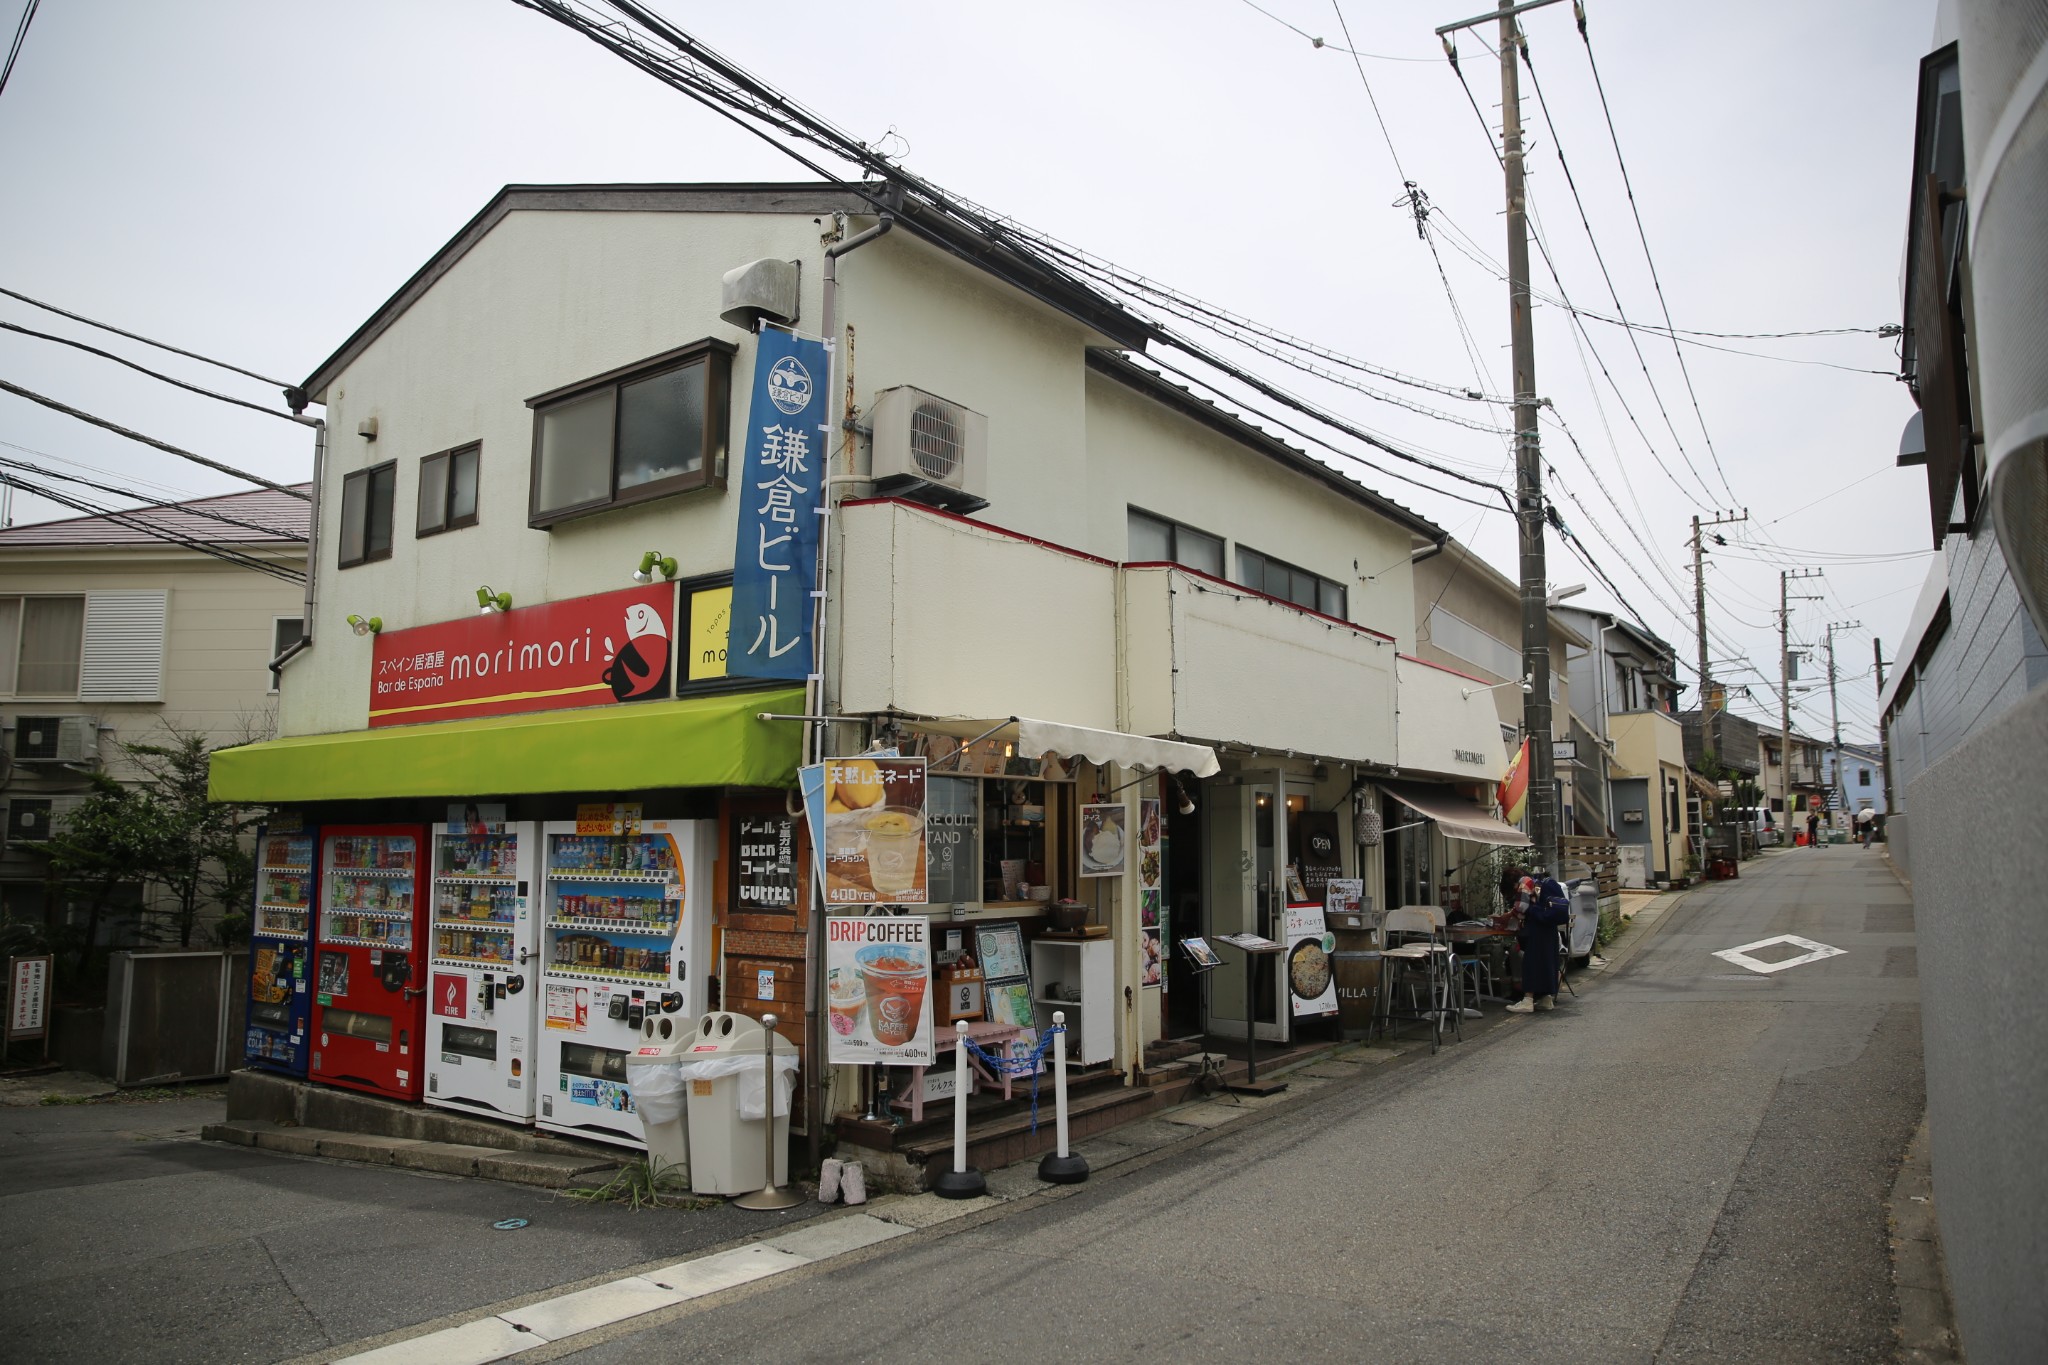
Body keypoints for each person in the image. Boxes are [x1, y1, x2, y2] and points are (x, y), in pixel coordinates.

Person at [1506, 869, 1567, 1013]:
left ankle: (1527, 1000)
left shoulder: (1524, 881)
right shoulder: (1538, 882)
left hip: (1536, 927)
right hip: (1549, 928)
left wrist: (1509, 916)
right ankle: (1546, 999)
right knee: (1547, 961)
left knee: (1531, 961)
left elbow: (1521, 907)